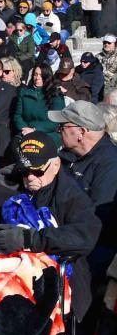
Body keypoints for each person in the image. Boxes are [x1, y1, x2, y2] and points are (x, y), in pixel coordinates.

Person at [0, 131, 100, 323]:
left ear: (55, 166)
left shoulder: (71, 195)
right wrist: (0, 191)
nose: (30, 177)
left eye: (38, 171)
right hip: (7, 274)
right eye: (24, 171)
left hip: (55, 277)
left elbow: (86, 236)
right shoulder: (16, 185)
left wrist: (31, 239)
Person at [49, 100, 117, 297]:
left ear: (81, 132)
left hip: (91, 250)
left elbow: (95, 220)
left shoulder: (110, 164)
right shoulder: (69, 156)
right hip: (63, 237)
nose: (58, 130)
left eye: (62, 126)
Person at [14, 63, 65, 145]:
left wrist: (35, 129)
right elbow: (18, 116)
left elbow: (56, 120)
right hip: (26, 133)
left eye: (41, 75)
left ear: (47, 76)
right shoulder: (24, 93)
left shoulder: (56, 94)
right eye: (35, 74)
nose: (37, 77)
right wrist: (25, 129)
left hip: (49, 134)